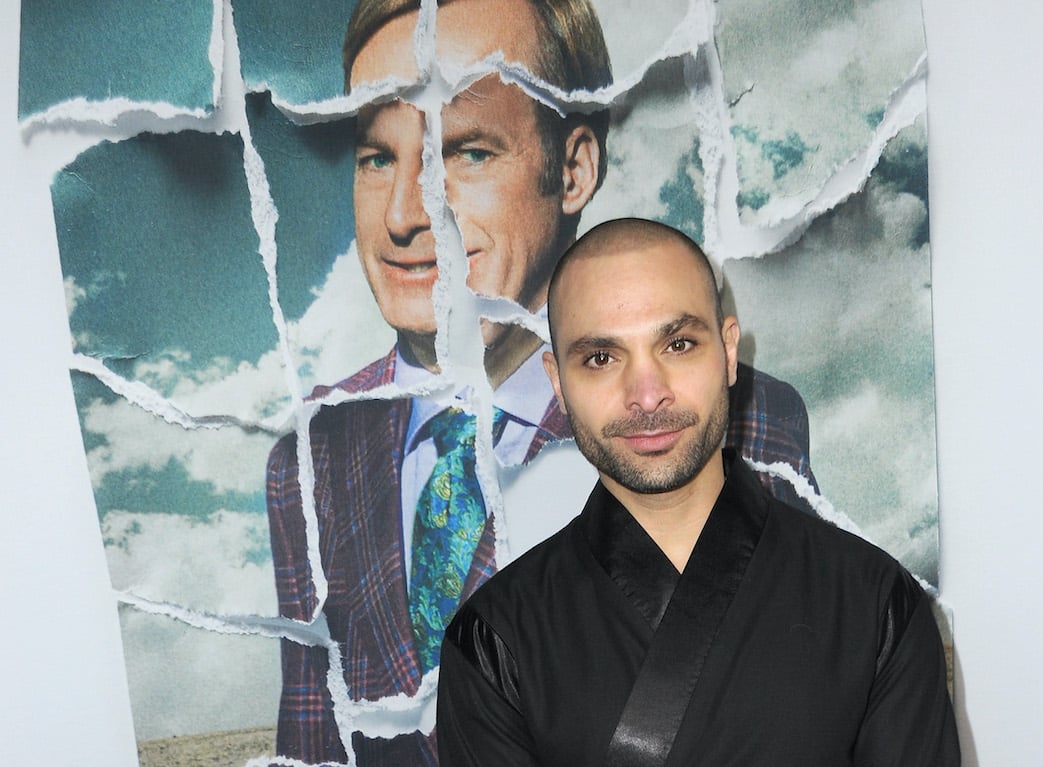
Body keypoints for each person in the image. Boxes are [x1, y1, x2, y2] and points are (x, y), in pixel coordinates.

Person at [267, 2, 817, 764]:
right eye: (376, 158)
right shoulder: (313, 452)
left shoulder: (738, 419)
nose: (402, 215)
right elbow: (312, 738)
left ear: (573, 168)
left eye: (466, 152)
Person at [437, 218, 959, 766]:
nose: (647, 395)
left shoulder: (875, 604)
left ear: (729, 352)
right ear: (557, 383)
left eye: (679, 344)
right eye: (600, 358)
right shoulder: (493, 642)